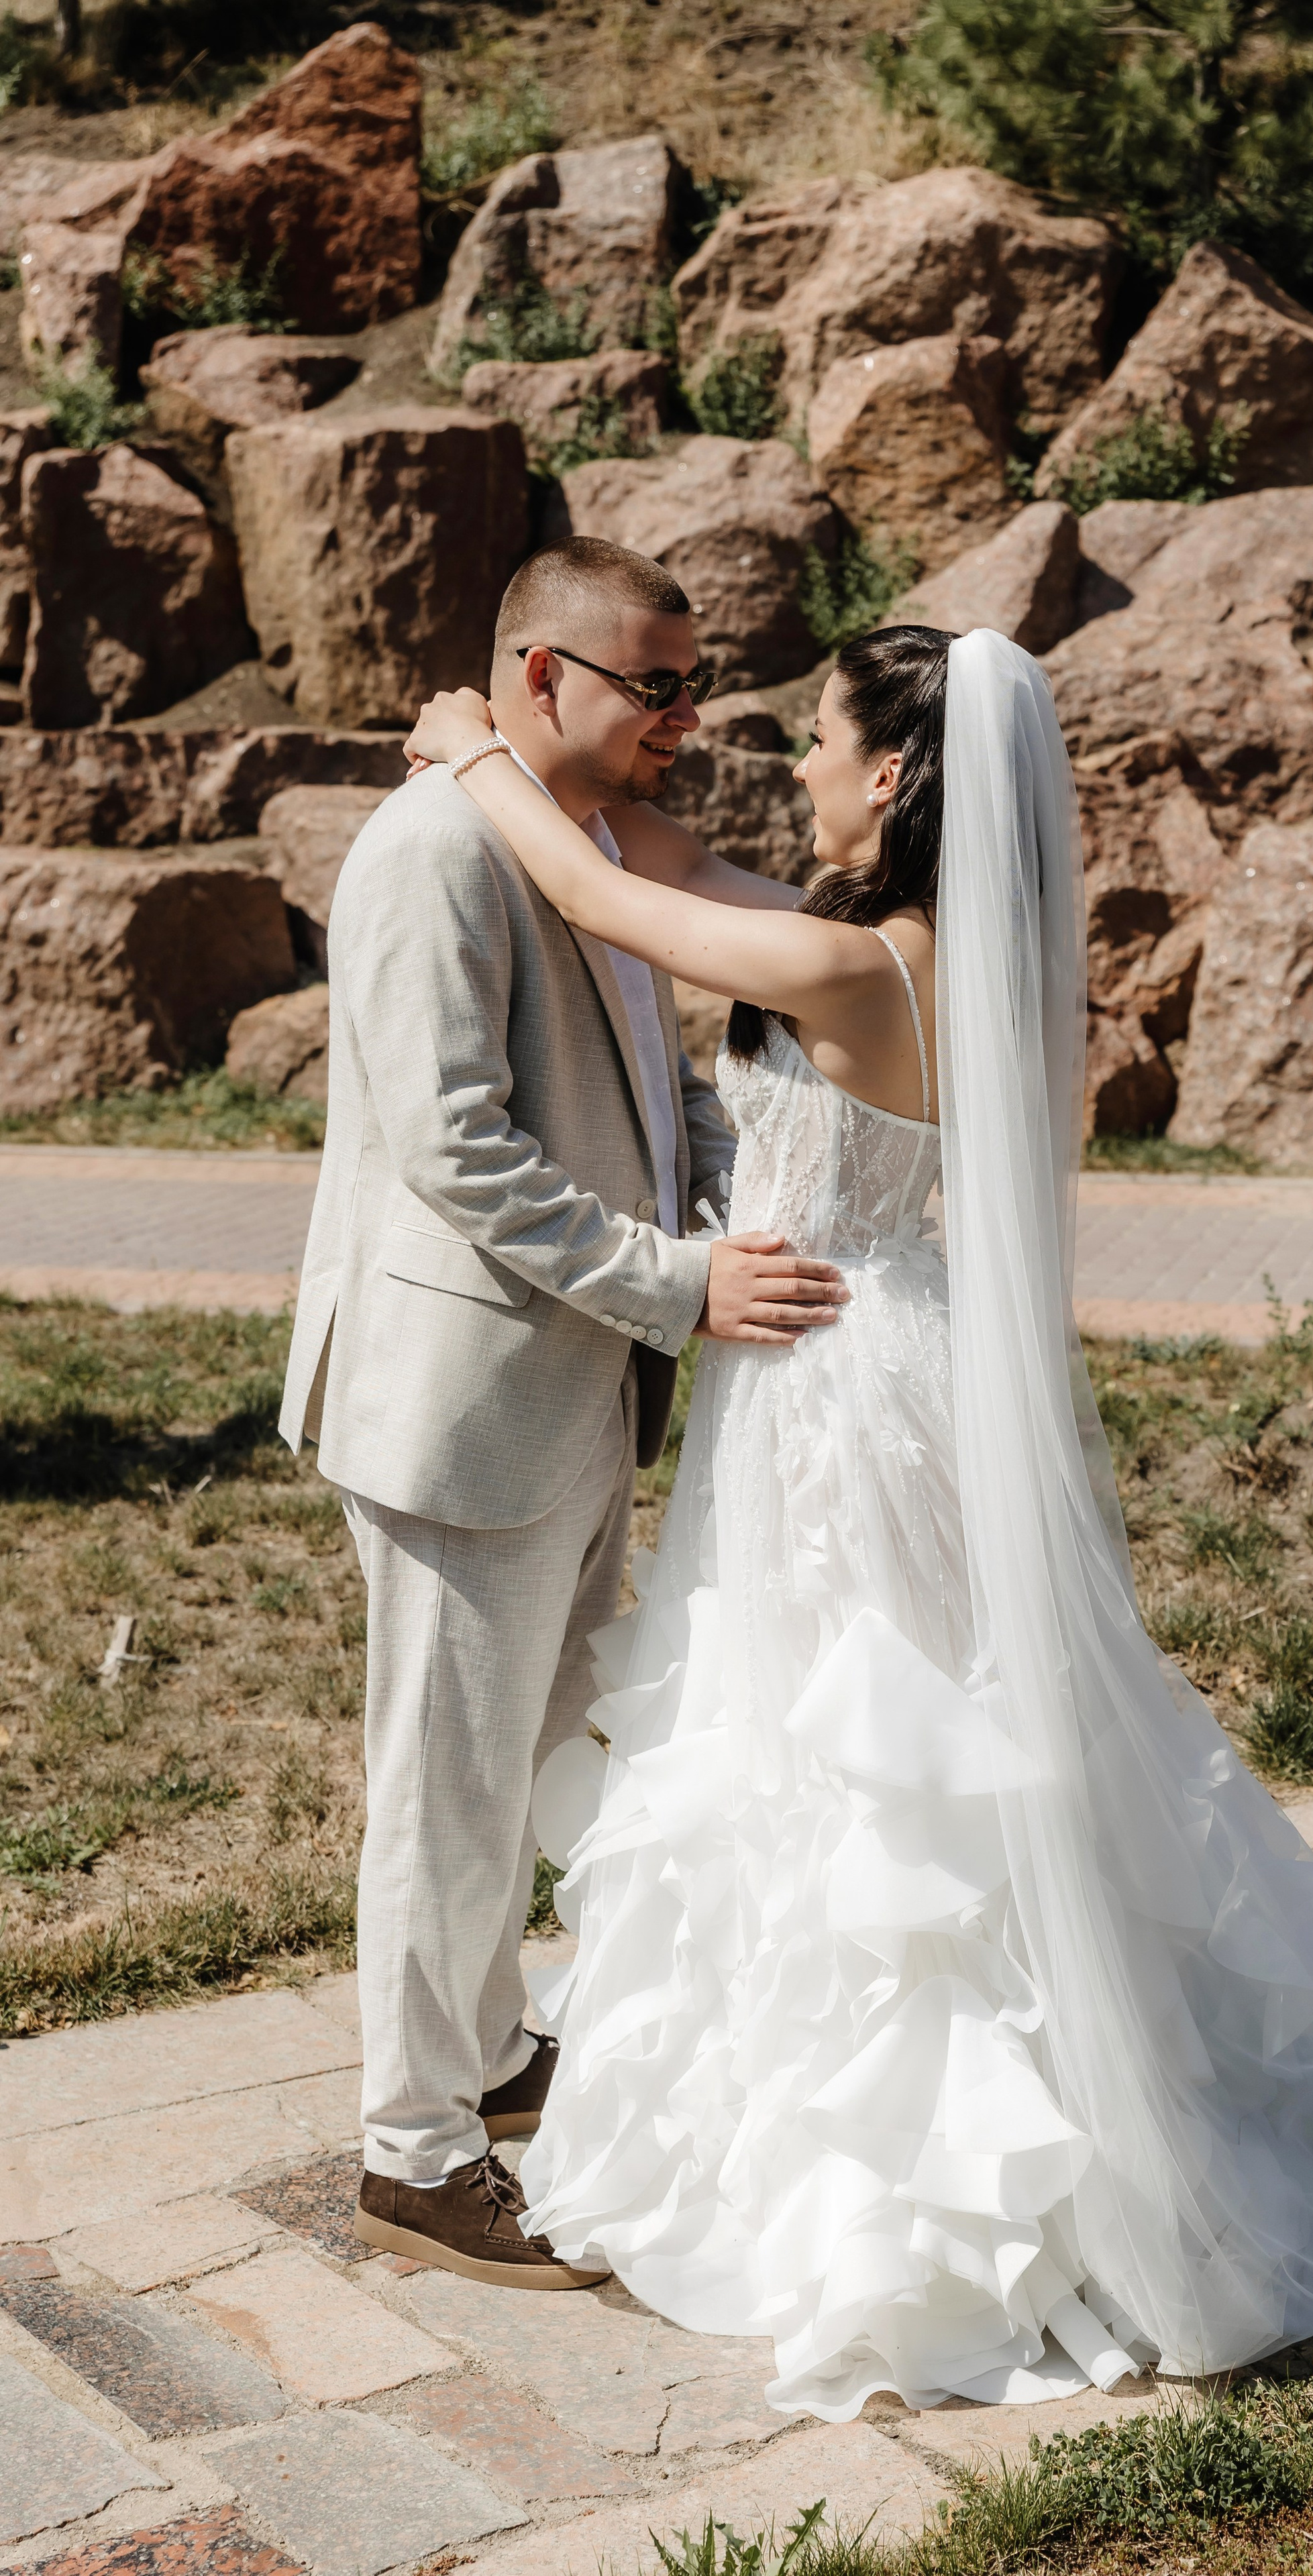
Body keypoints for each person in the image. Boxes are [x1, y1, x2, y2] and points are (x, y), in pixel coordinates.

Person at [401, 624, 1313, 2412]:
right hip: (880, 1374)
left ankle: (943, 2162)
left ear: (896, 777)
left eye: (831, 741)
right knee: (920, 1751)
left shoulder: (859, 967)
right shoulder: (955, 951)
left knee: (881, 1755)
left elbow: (612, 897)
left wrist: (475, 749)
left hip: (848, 1400)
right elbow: (674, 865)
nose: (797, 765)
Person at [279, 537, 849, 2290]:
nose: (691, 715)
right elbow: (456, 1146)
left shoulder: (582, 842)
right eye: (654, 684)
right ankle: (412, 2147)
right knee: (448, 1782)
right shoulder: (433, 851)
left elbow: (636, 1093)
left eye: (698, 682)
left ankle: (491, 2048)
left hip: (573, 1390)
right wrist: (677, 1283)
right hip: (463, 1403)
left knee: (535, 1749)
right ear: (542, 675)